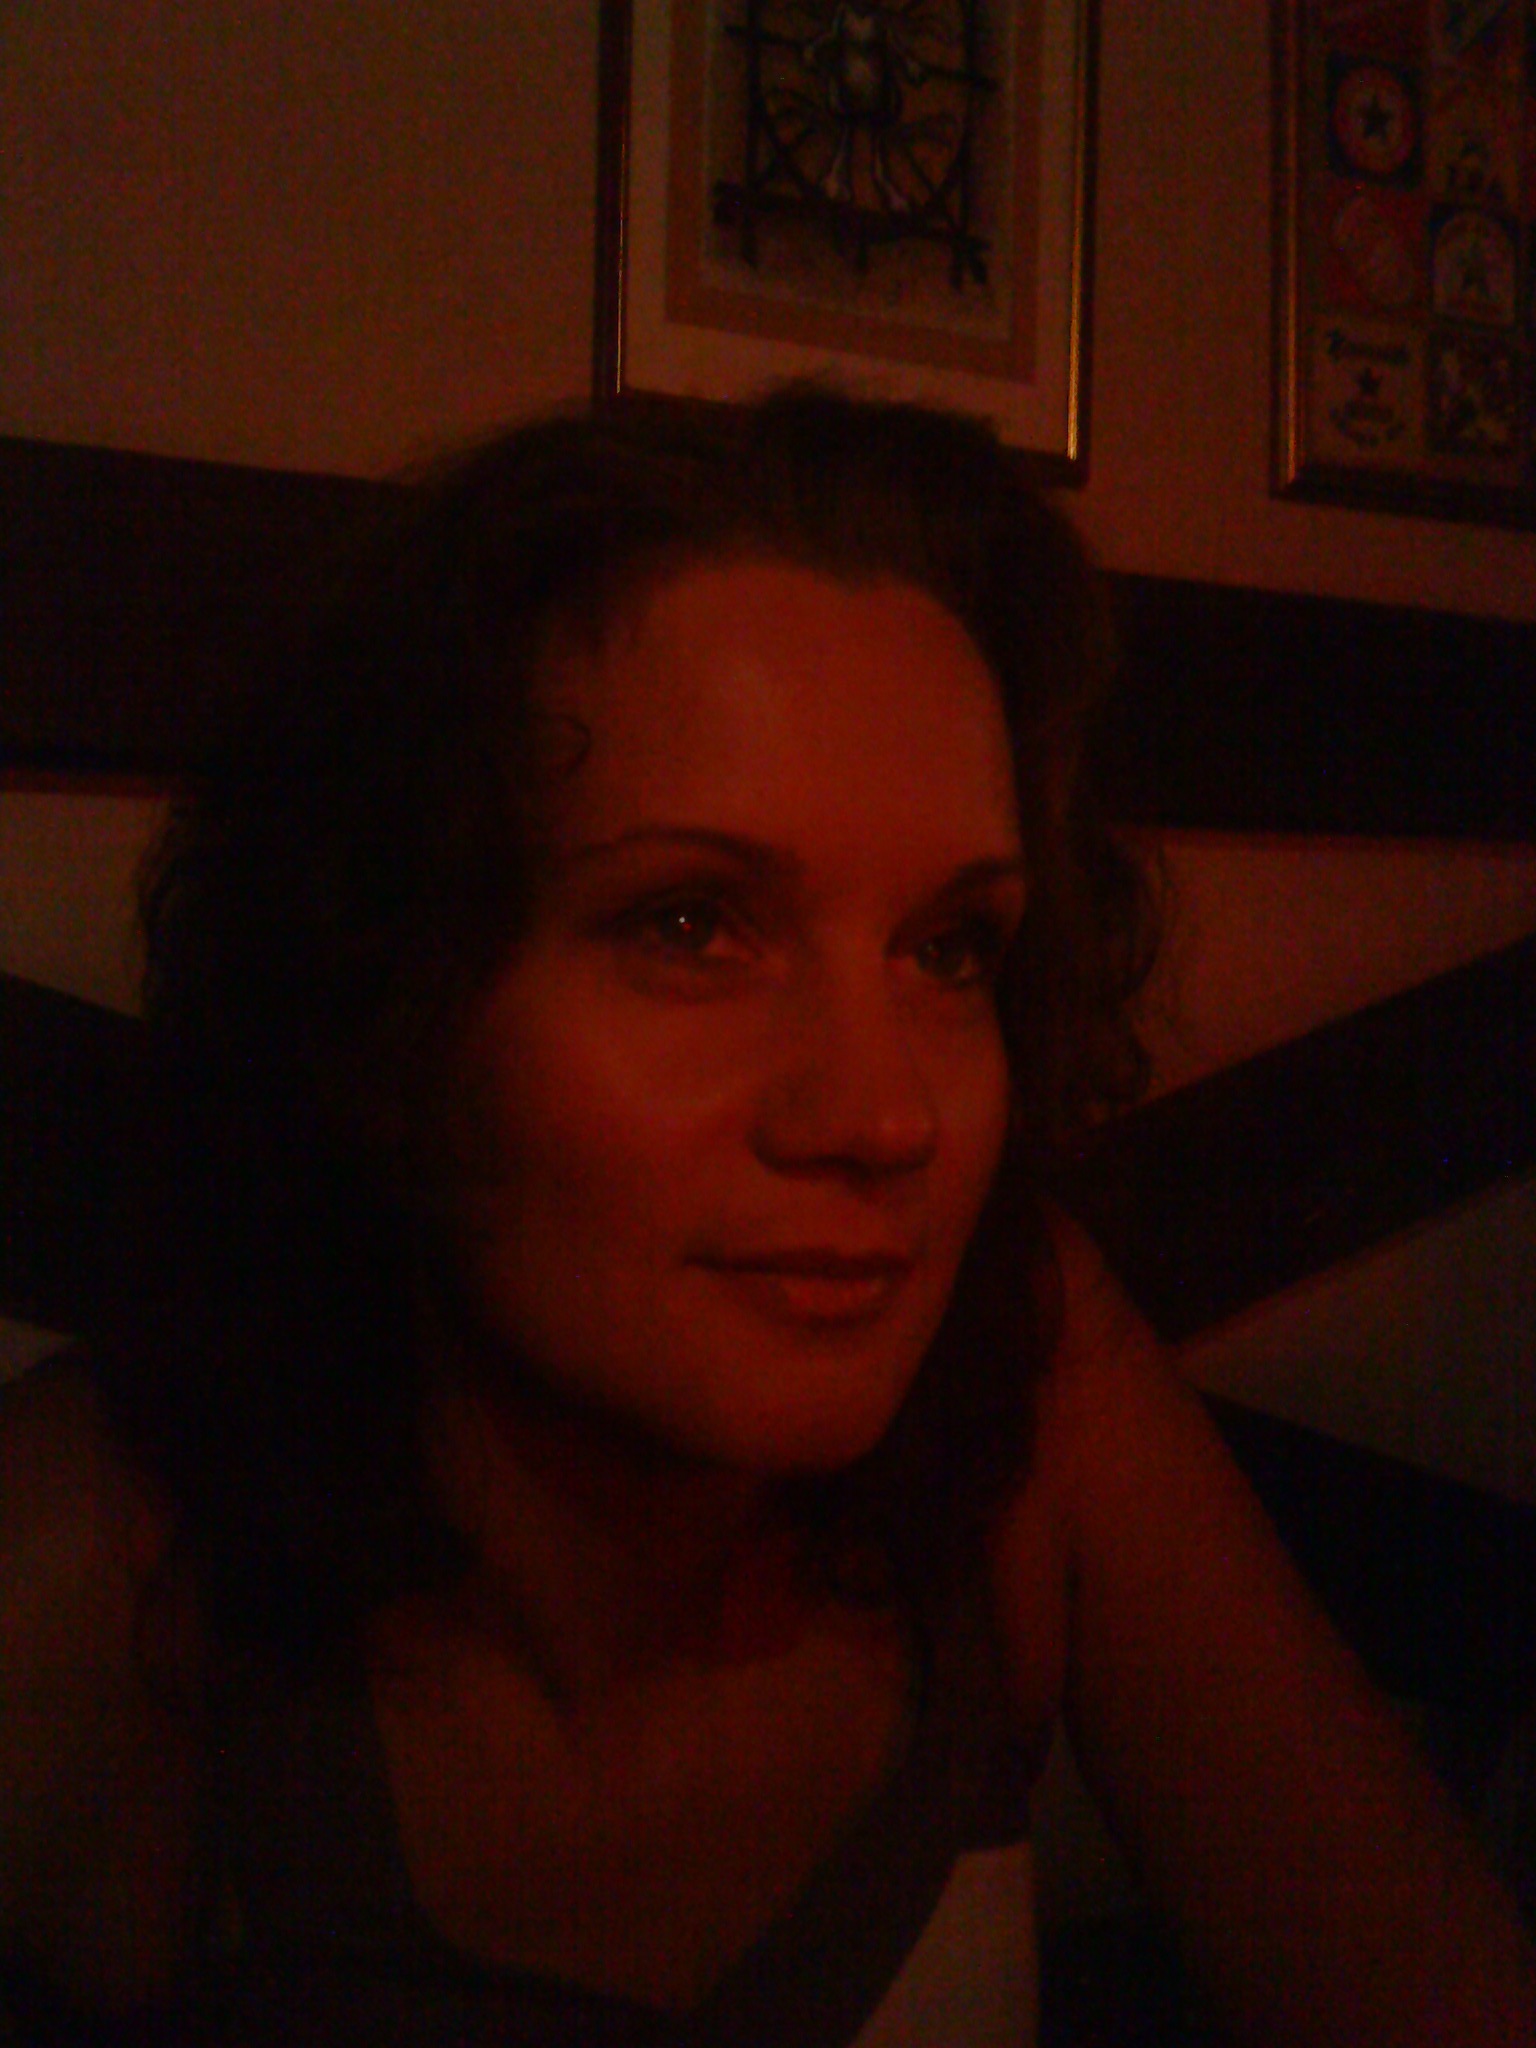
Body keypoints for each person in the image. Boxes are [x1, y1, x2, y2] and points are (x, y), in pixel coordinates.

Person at [1, 386, 1531, 2046]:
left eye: (949, 949)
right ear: (387, 992)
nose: (885, 1117)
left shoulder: (1032, 1376)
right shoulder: (97, 1576)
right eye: (690, 924)